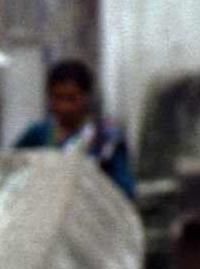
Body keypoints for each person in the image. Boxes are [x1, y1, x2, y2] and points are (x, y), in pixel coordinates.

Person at [14, 58, 136, 200]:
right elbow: (12, 168)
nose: (64, 106)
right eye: (58, 98)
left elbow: (125, 190)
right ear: (49, 96)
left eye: (71, 98)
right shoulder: (37, 133)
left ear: (86, 97)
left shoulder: (104, 138)